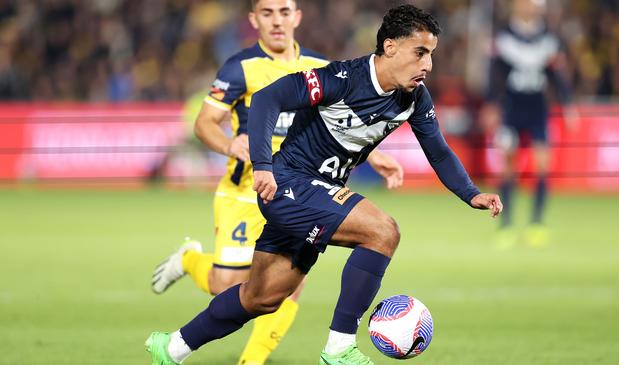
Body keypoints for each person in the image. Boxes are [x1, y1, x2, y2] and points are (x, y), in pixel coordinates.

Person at [146, 4, 502, 365]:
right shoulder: (342, 78)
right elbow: (269, 98)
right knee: (382, 231)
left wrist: (471, 193)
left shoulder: (414, 100)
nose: (427, 64)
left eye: (431, 54)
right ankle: (339, 347)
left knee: (262, 298)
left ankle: (171, 347)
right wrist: (264, 166)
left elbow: (438, 152)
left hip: (315, 194)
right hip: (288, 183)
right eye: (420, 52)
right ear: (391, 47)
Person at [481, 0, 576, 248]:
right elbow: (494, 74)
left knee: (543, 165)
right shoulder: (504, 37)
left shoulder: (548, 38)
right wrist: (491, 104)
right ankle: (507, 224)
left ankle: (537, 224)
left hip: (538, 109)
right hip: (512, 109)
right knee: (509, 166)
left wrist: (567, 105)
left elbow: (557, 74)